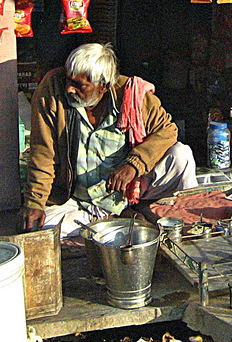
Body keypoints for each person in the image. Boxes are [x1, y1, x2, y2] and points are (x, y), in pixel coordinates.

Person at [20, 43, 197, 235]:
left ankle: (160, 214)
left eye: (80, 85)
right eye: (69, 81)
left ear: (103, 86)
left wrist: (133, 165)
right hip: (79, 201)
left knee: (181, 154)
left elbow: (168, 131)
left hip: (128, 193)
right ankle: (119, 219)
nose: (70, 89)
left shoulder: (132, 95)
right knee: (44, 231)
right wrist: (34, 203)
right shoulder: (53, 91)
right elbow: (43, 152)